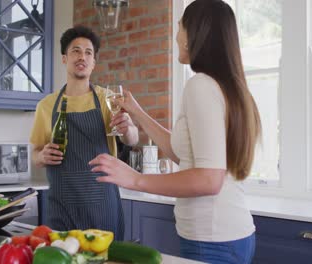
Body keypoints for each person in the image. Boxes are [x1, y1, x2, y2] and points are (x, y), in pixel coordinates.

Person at [89, 0, 261, 263]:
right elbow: (184, 155)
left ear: (195, 34)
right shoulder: (229, 87)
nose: (176, 35)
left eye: (180, 27)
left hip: (212, 240)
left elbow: (208, 179)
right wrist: (138, 113)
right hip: (227, 235)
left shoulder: (200, 86)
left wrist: (135, 179)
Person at [30, 25, 139, 240]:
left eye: (88, 52)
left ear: (93, 63)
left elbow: (132, 138)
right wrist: (41, 156)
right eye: (76, 51)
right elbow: (35, 154)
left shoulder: (108, 99)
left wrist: (128, 128)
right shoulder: (47, 105)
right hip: (61, 205)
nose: (82, 57)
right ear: (64, 59)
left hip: (102, 202)